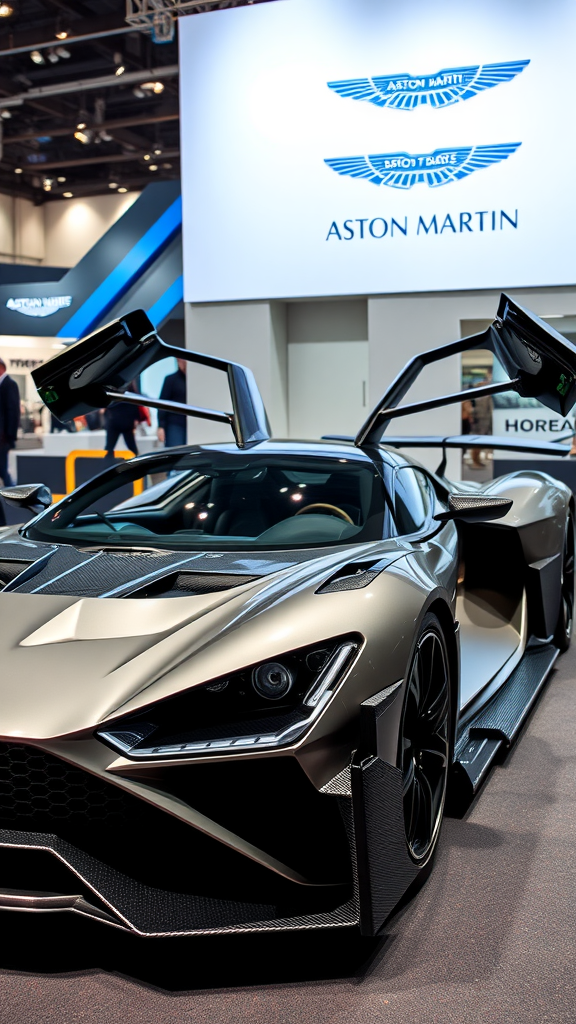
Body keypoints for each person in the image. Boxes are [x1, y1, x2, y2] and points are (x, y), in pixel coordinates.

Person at [157, 359, 188, 448]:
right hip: (175, 424)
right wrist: (161, 426)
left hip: (194, 423)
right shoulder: (170, 380)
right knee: (175, 451)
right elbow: (162, 404)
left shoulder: (197, 381)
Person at [0, 357, 20, 488]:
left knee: (2, 469)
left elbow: (13, 411)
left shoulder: (9, 384)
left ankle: (13, 494)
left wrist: (10, 436)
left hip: (3, 438)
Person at [104, 381, 140, 456]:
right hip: (127, 421)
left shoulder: (113, 388)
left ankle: (106, 465)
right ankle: (137, 464)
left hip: (114, 420)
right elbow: (135, 406)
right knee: (132, 448)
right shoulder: (131, 390)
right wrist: (136, 419)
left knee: (109, 448)